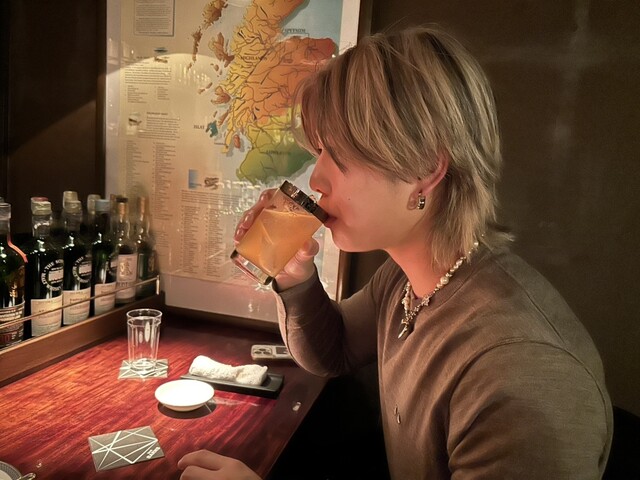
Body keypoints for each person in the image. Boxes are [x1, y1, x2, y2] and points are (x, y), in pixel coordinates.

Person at [179, 25, 613, 479]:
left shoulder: (522, 375)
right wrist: (294, 277)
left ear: (425, 169)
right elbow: (333, 351)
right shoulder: (408, 276)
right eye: (320, 151)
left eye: (339, 154)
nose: (317, 180)